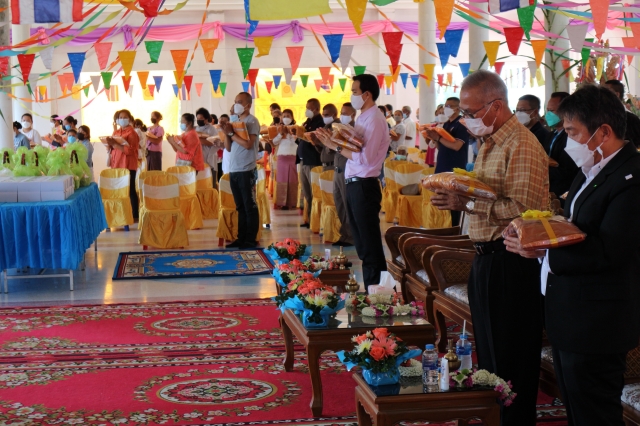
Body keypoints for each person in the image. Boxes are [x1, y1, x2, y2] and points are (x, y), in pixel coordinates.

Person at [505, 84, 640, 426]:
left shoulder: (631, 178)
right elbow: (573, 226)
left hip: (598, 321)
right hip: (570, 314)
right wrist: (534, 231)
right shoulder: (592, 168)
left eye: (572, 132)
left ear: (603, 132)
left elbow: (609, 251)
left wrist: (542, 251)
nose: (568, 142)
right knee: (578, 410)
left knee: (596, 413)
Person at [431, 69, 549, 426]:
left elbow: (523, 209)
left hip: (511, 262)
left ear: (496, 106)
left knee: (512, 361)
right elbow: (486, 195)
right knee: (492, 359)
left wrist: (466, 203)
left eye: (470, 112)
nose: (464, 120)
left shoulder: (521, 144)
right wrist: (458, 192)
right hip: (486, 258)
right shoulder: (491, 142)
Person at [315, 74, 390, 289]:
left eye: (355, 92)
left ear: (366, 94)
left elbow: (365, 158)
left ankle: (379, 292)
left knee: (369, 244)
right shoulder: (364, 117)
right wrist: (334, 140)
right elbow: (355, 148)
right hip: (354, 183)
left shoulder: (374, 119)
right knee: (362, 244)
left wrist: (336, 146)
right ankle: (374, 290)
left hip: (364, 185)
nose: (352, 96)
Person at [222, 92, 261, 249]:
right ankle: (241, 237)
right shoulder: (235, 121)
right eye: (235, 101)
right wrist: (226, 132)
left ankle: (250, 239)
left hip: (246, 169)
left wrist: (231, 133)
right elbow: (228, 147)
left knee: (249, 206)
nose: (235, 104)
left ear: (248, 105)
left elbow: (248, 144)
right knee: (239, 206)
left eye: (239, 101)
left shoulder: (252, 121)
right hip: (234, 169)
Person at [424, 97, 470, 227]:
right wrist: (434, 139)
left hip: (454, 168)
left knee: (453, 201)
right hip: (442, 165)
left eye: (450, 106)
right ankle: (443, 227)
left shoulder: (461, 124)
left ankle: (454, 228)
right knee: (442, 200)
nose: (446, 109)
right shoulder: (446, 124)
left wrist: (438, 138)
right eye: (445, 105)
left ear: (458, 108)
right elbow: (441, 147)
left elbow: (456, 146)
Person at [544, 92, 579, 200]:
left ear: (565, 111)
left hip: (564, 195)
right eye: (547, 110)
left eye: (552, 110)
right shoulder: (550, 135)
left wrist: (540, 167)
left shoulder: (572, 137)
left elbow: (567, 171)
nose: (548, 114)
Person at [106, 109, 140, 220]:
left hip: (128, 165)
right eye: (120, 117)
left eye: (125, 117)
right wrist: (108, 145)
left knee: (130, 190)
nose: (122, 119)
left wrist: (115, 144)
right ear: (117, 120)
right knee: (118, 190)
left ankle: (134, 214)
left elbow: (130, 151)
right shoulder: (116, 132)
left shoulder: (132, 133)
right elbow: (112, 148)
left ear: (129, 119)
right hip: (116, 164)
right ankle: (121, 212)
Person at [331, 102, 356, 248]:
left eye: (345, 113)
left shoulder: (354, 131)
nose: (342, 116)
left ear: (353, 115)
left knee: (348, 206)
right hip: (337, 170)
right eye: (342, 113)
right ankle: (344, 234)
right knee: (339, 203)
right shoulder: (339, 129)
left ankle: (351, 237)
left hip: (347, 171)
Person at [298, 98, 324, 228]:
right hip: (303, 160)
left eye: (309, 108)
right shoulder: (307, 122)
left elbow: (315, 140)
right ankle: (309, 219)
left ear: (316, 109)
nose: (307, 110)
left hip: (313, 160)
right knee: (307, 193)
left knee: (314, 193)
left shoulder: (320, 123)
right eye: (306, 107)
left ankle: (316, 222)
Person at [272, 109, 299, 210]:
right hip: (281, 157)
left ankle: (292, 202)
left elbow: (296, 141)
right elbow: (274, 142)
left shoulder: (296, 128)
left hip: (292, 156)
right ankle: (282, 203)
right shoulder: (278, 128)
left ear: (292, 118)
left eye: (288, 116)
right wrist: (280, 134)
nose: (286, 118)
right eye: (284, 116)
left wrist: (290, 134)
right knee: (282, 179)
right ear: (281, 118)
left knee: (292, 179)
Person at [603, 79, 640, 148]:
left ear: (617, 94)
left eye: (606, 92)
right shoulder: (601, 117)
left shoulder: (632, 119)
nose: (602, 96)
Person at [195, 107, 220, 187]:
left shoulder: (212, 129)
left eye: (201, 118)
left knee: (210, 183)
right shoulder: (196, 128)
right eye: (197, 118)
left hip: (209, 158)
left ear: (206, 119)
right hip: (199, 158)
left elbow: (212, 143)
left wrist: (198, 139)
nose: (199, 120)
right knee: (199, 184)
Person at [315, 103, 338, 171]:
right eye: (323, 115)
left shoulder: (337, 128)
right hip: (325, 166)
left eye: (327, 115)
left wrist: (328, 145)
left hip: (333, 165)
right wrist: (316, 143)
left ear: (334, 115)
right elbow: (322, 149)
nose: (324, 117)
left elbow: (334, 148)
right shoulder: (325, 127)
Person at [219, 114, 230, 178]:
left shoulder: (230, 131)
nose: (223, 122)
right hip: (225, 156)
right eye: (221, 121)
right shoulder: (219, 130)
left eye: (225, 121)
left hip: (230, 157)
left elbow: (228, 145)